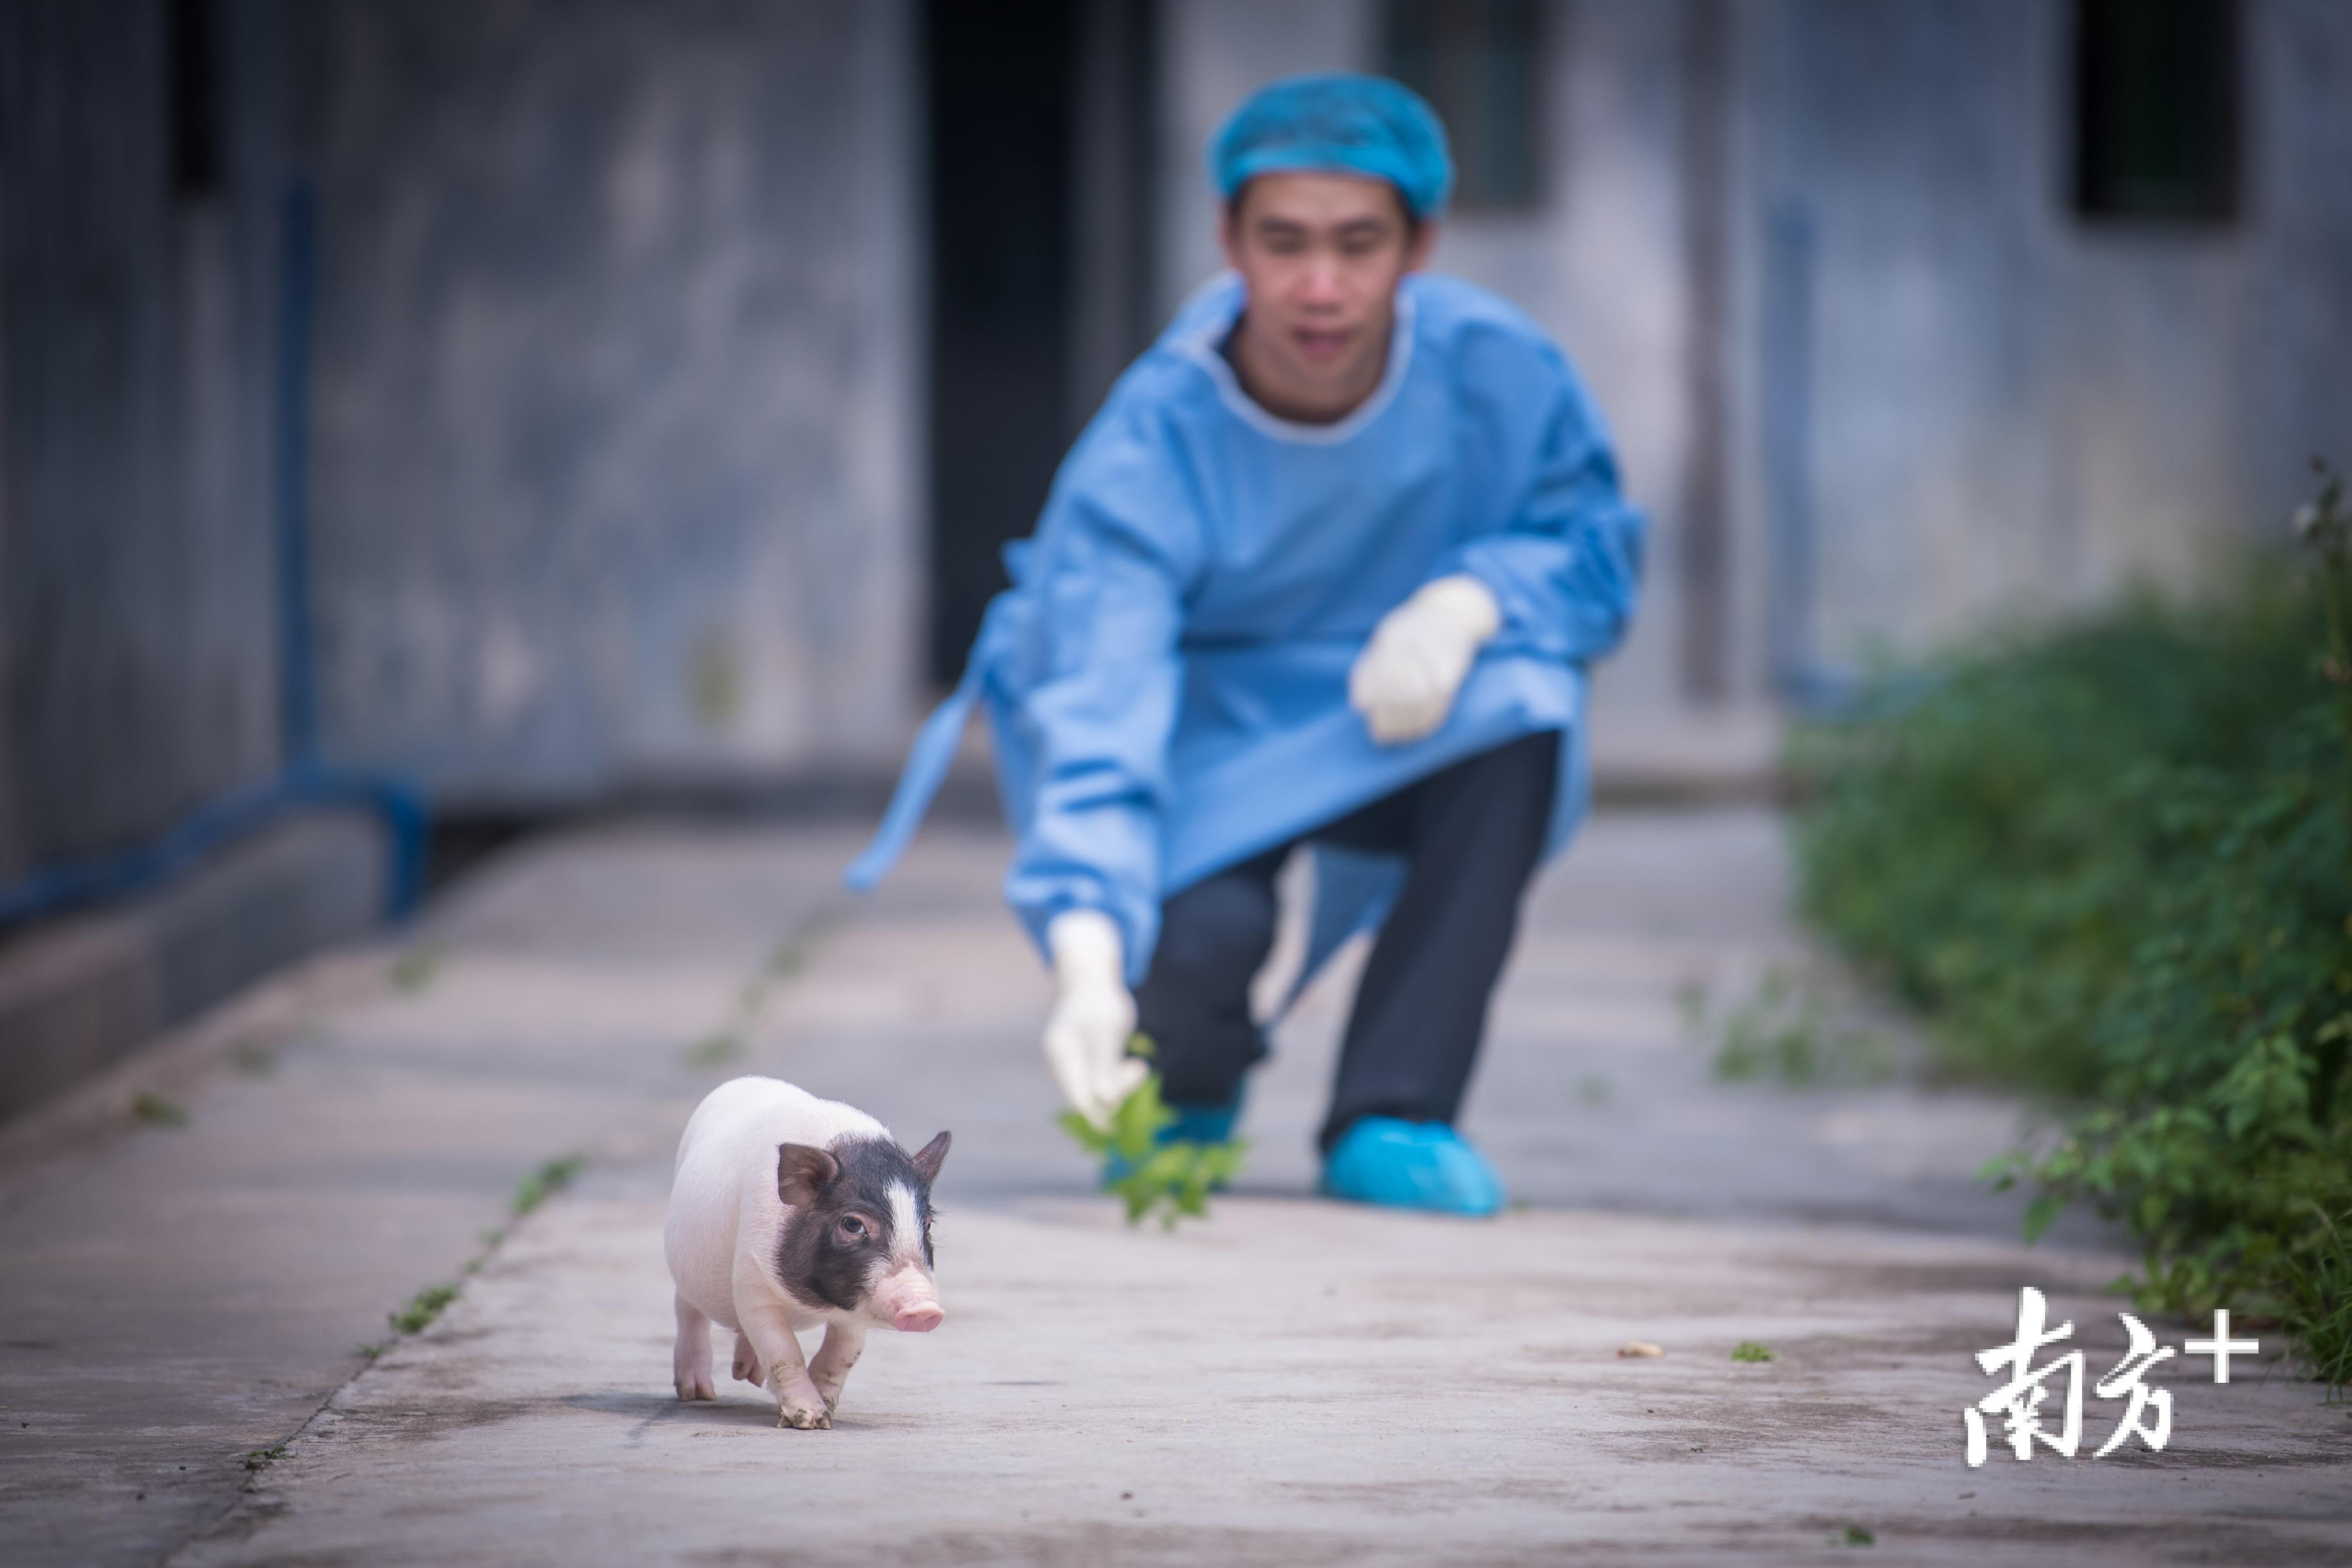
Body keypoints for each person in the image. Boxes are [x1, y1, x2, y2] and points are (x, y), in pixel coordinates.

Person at [848, 73, 1643, 1215]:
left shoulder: (1501, 371)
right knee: (1196, 938)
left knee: (1525, 692)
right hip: (1205, 738)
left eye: (1357, 243)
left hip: (1406, 715)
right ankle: (1183, 1091)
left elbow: (1594, 549)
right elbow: (1098, 695)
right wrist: (1080, 957)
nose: (1319, 286)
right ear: (1228, 238)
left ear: (1418, 244)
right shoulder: (1151, 439)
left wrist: (1470, 600)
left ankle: (1394, 1106)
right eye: (1282, 241)